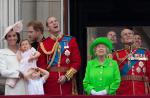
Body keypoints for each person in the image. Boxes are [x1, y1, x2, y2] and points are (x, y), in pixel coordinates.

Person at [37, 16, 81, 95]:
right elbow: (41, 65)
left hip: (67, 82)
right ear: (48, 28)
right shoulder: (43, 44)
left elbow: (76, 62)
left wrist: (67, 76)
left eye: (55, 20)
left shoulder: (71, 40)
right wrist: (46, 77)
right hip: (50, 83)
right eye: (51, 22)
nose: (54, 23)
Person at [113, 28, 150, 95]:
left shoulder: (145, 52)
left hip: (142, 90)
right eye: (125, 34)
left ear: (133, 37)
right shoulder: (117, 54)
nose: (128, 35)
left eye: (130, 34)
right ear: (121, 39)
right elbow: (114, 75)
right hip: (123, 91)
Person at [0, 20, 27, 95]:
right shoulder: (2, 53)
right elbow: (3, 72)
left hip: (26, 85)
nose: (12, 38)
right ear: (6, 38)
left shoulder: (24, 51)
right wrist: (18, 74)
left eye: (14, 35)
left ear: (17, 37)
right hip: (12, 87)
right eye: (9, 36)